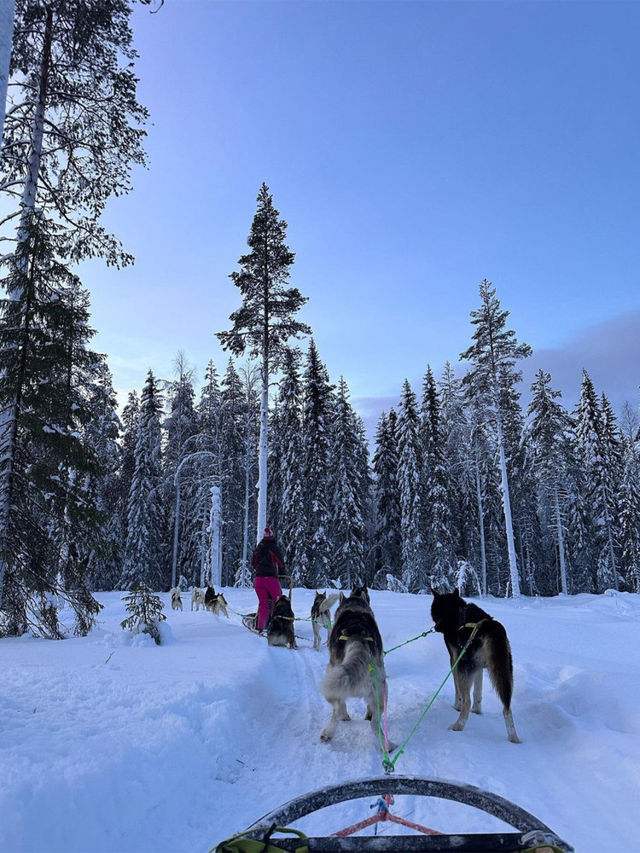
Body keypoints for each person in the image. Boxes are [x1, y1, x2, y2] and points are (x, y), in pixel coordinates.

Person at [252, 526, 284, 631]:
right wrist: (283, 572)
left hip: (259, 580)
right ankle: (276, 626)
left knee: (263, 603)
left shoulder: (259, 547)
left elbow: (254, 563)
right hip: (270, 579)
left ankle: (260, 626)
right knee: (278, 602)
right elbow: (280, 562)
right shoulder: (273, 547)